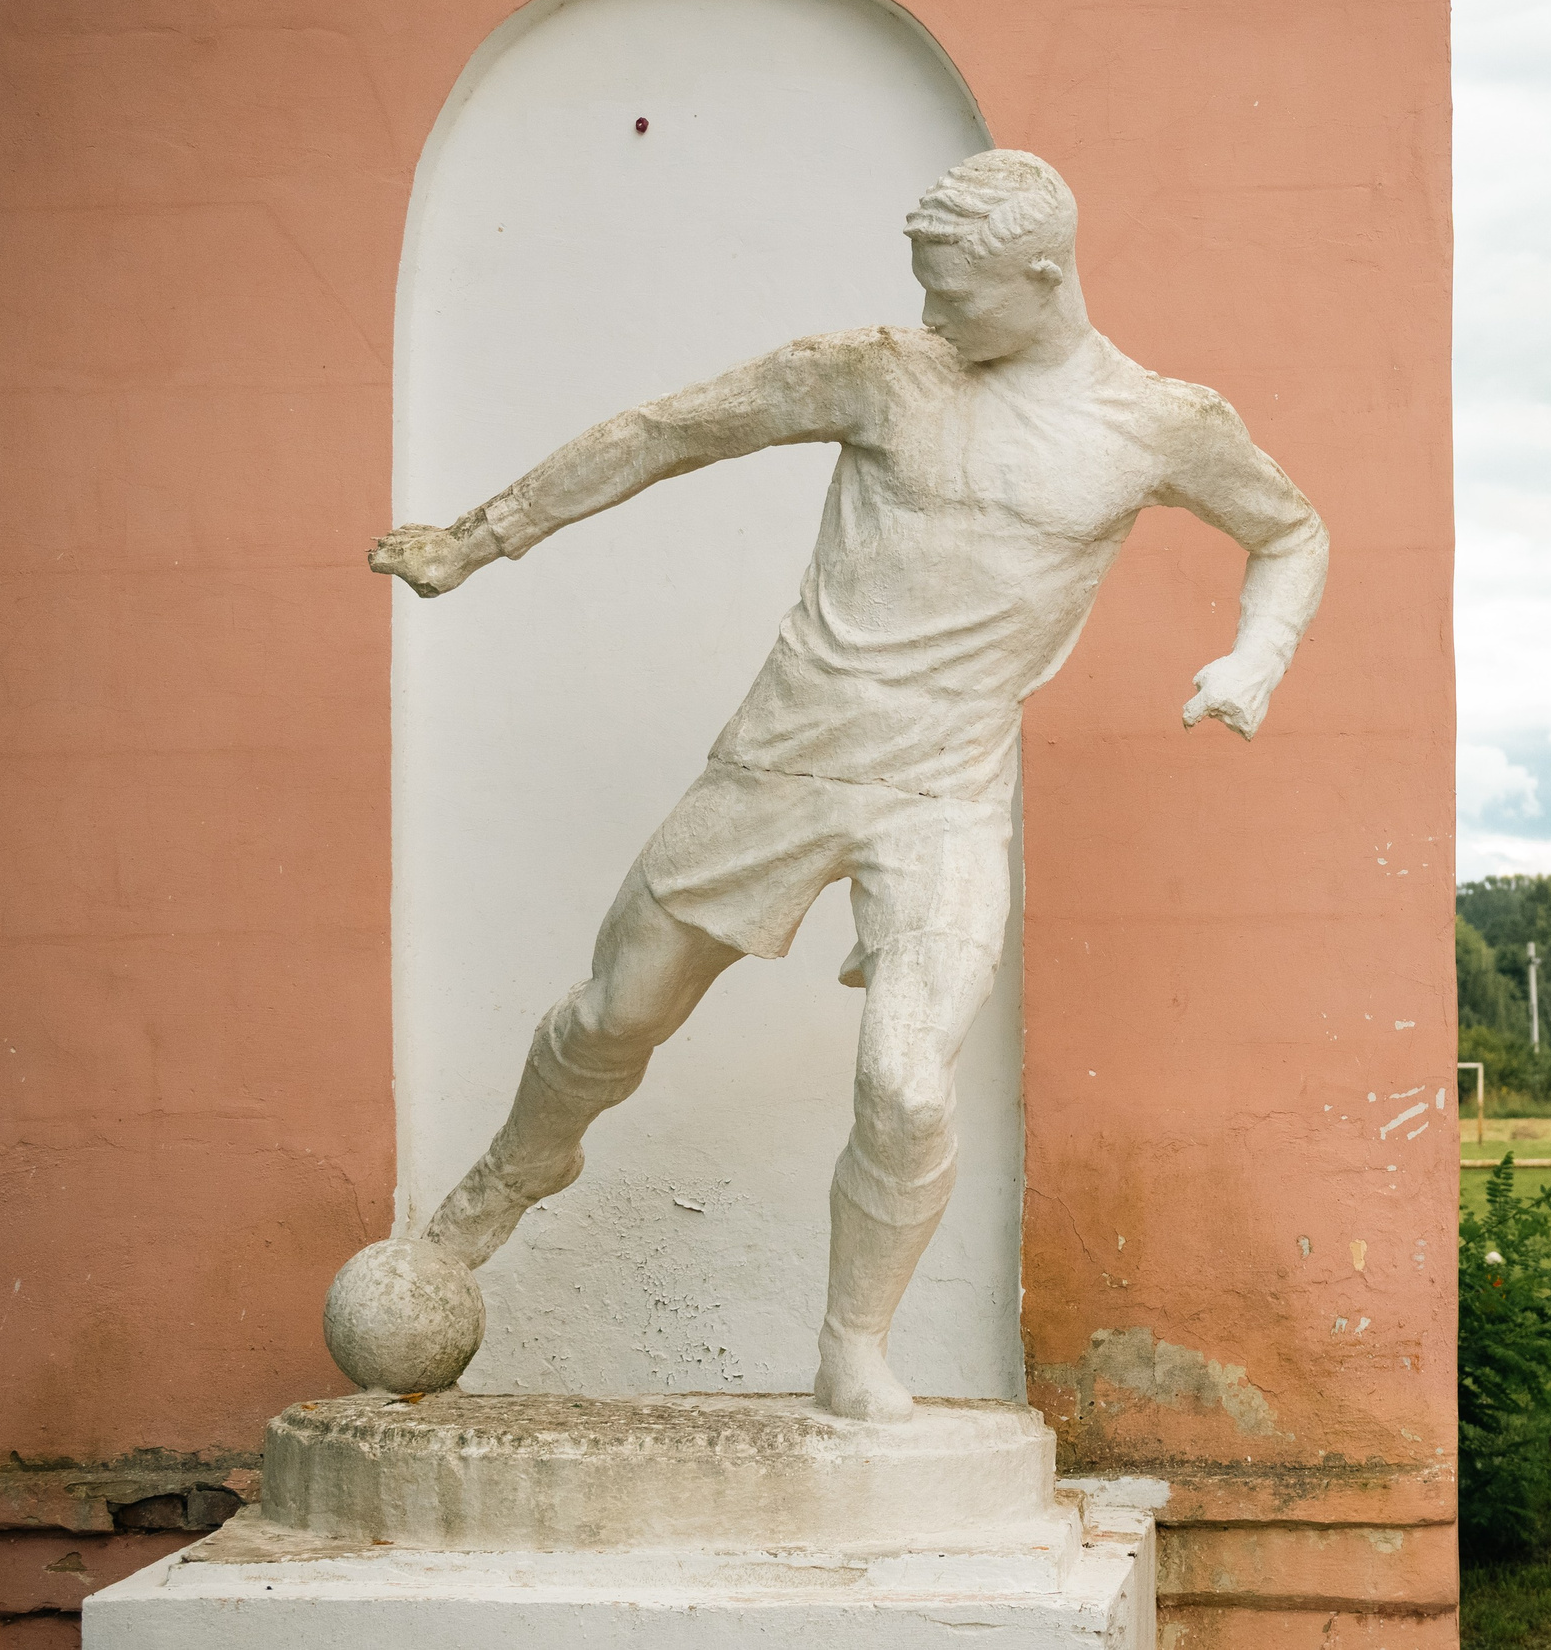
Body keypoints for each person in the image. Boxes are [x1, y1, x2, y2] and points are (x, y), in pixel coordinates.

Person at [367, 149, 1329, 1422]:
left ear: (1044, 277)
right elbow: (669, 430)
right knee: (615, 1015)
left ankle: (852, 1346)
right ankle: (480, 1207)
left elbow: (1291, 530)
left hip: (944, 793)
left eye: (958, 292)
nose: (932, 313)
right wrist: (478, 539)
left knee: (907, 1083)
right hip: (784, 758)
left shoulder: (1160, 424)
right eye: (921, 286)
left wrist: (1254, 659)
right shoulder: (880, 373)